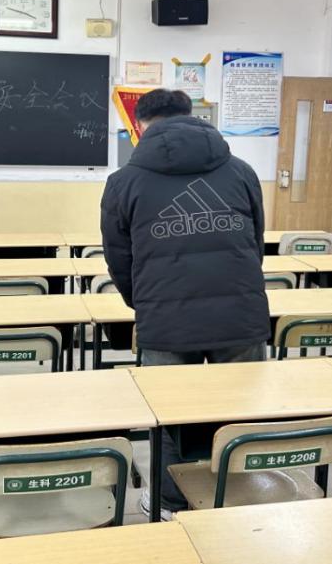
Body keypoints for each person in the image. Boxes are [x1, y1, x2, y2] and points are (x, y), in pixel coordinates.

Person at [100, 88, 270, 518]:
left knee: (169, 415)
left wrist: (144, 302)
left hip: (165, 317)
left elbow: (119, 258)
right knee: (239, 409)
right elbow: (255, 243)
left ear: (139, 126)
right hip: (241, 314)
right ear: (192, 116)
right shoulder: (241, 171)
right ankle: (232, 497)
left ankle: (170, 503)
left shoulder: (123, 182)